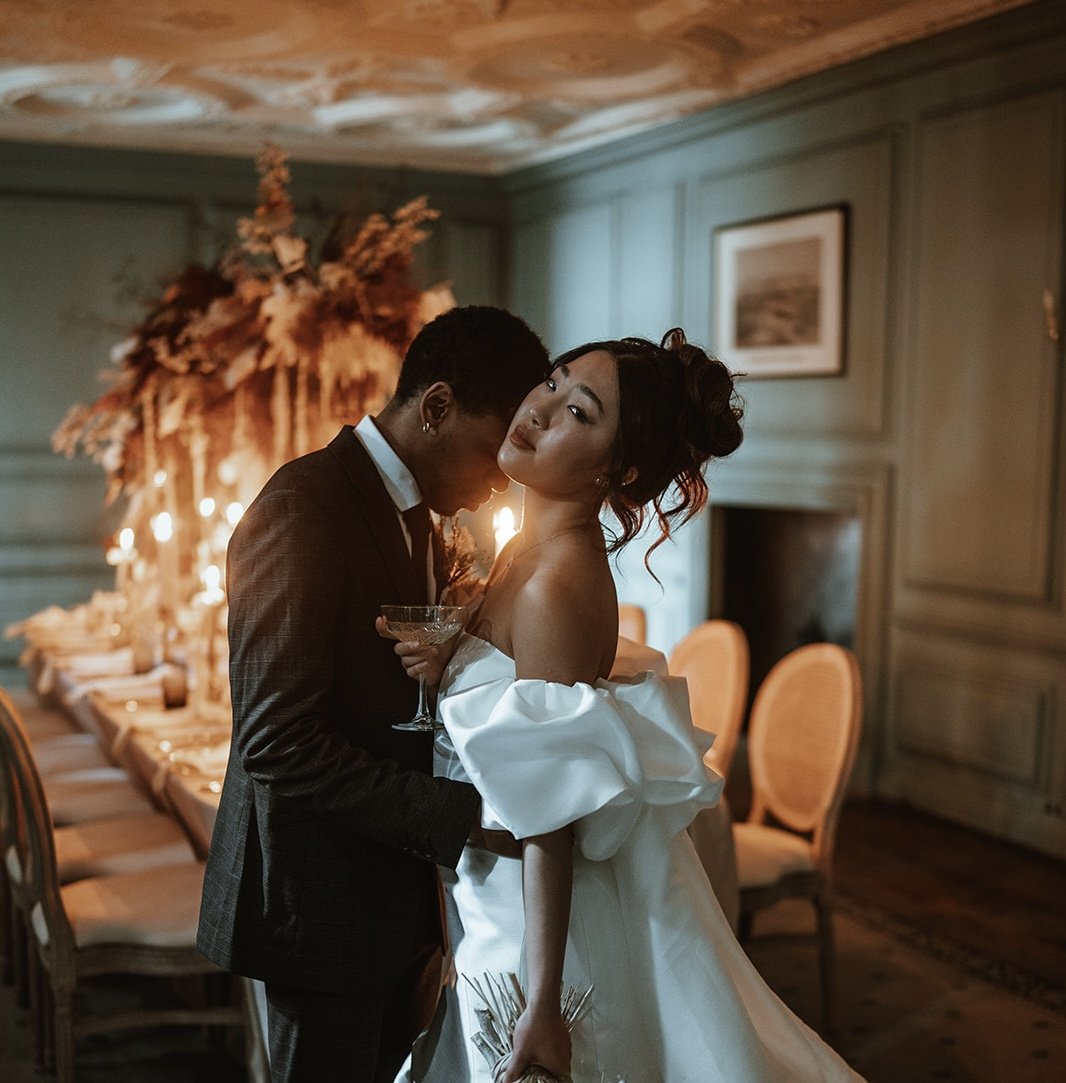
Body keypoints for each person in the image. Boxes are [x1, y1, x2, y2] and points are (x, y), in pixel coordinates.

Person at [391, 330, 865, 1082]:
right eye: (552, 381)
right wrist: (457, 656)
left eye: (579, 411)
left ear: (622, 468)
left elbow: (552, 813)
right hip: (484, 890)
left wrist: (542, 1004)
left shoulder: (556, 582)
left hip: (528, 921)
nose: (540, 409)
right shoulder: (525, 554)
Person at [197, 305, 551, 1083]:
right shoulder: (302, 509)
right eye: (496, 452)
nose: (503, 479)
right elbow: (277, 742)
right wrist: (459, 815)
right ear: (435, 405)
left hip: (392, 897)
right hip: (314, 904)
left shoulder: (425, 516)